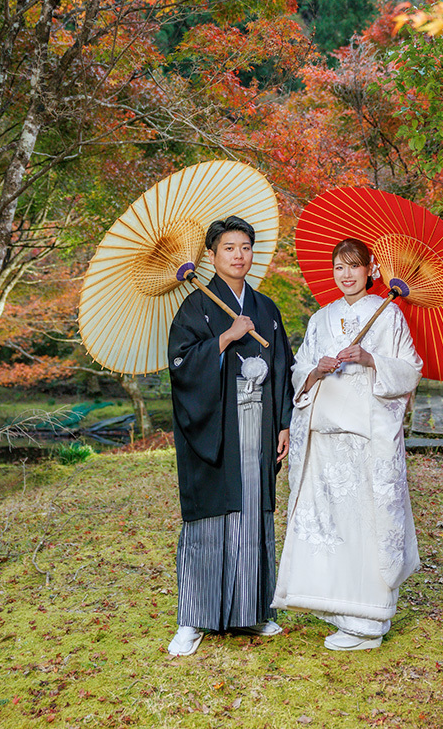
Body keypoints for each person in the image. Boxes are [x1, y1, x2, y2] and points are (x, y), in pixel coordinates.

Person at [272, 237, 422, 651]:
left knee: (366, 527)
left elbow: (410, 370)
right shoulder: (321, 319)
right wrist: (316, 371)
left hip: (366, 439)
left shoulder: (389, 314)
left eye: (354, 265)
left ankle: (370, 622)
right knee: (331, 528)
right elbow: (299, 370)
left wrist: (371, 359)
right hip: (326, 440)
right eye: (339, 266)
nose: (346, 274)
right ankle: (341, 611)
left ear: (370, 270)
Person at [167, 215, 294, 656]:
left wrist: (284, 422)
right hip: (215, 425)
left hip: (259, 425)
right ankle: (193, 619)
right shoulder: (194, 307)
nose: (239, 255)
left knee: (252, 513)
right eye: (229, 248)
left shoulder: (266, 308)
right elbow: (181, 366)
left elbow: (283, 367)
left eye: (245, 247)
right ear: (211, 255)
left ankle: (251, 612)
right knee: (211, 517)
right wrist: (224, 338)